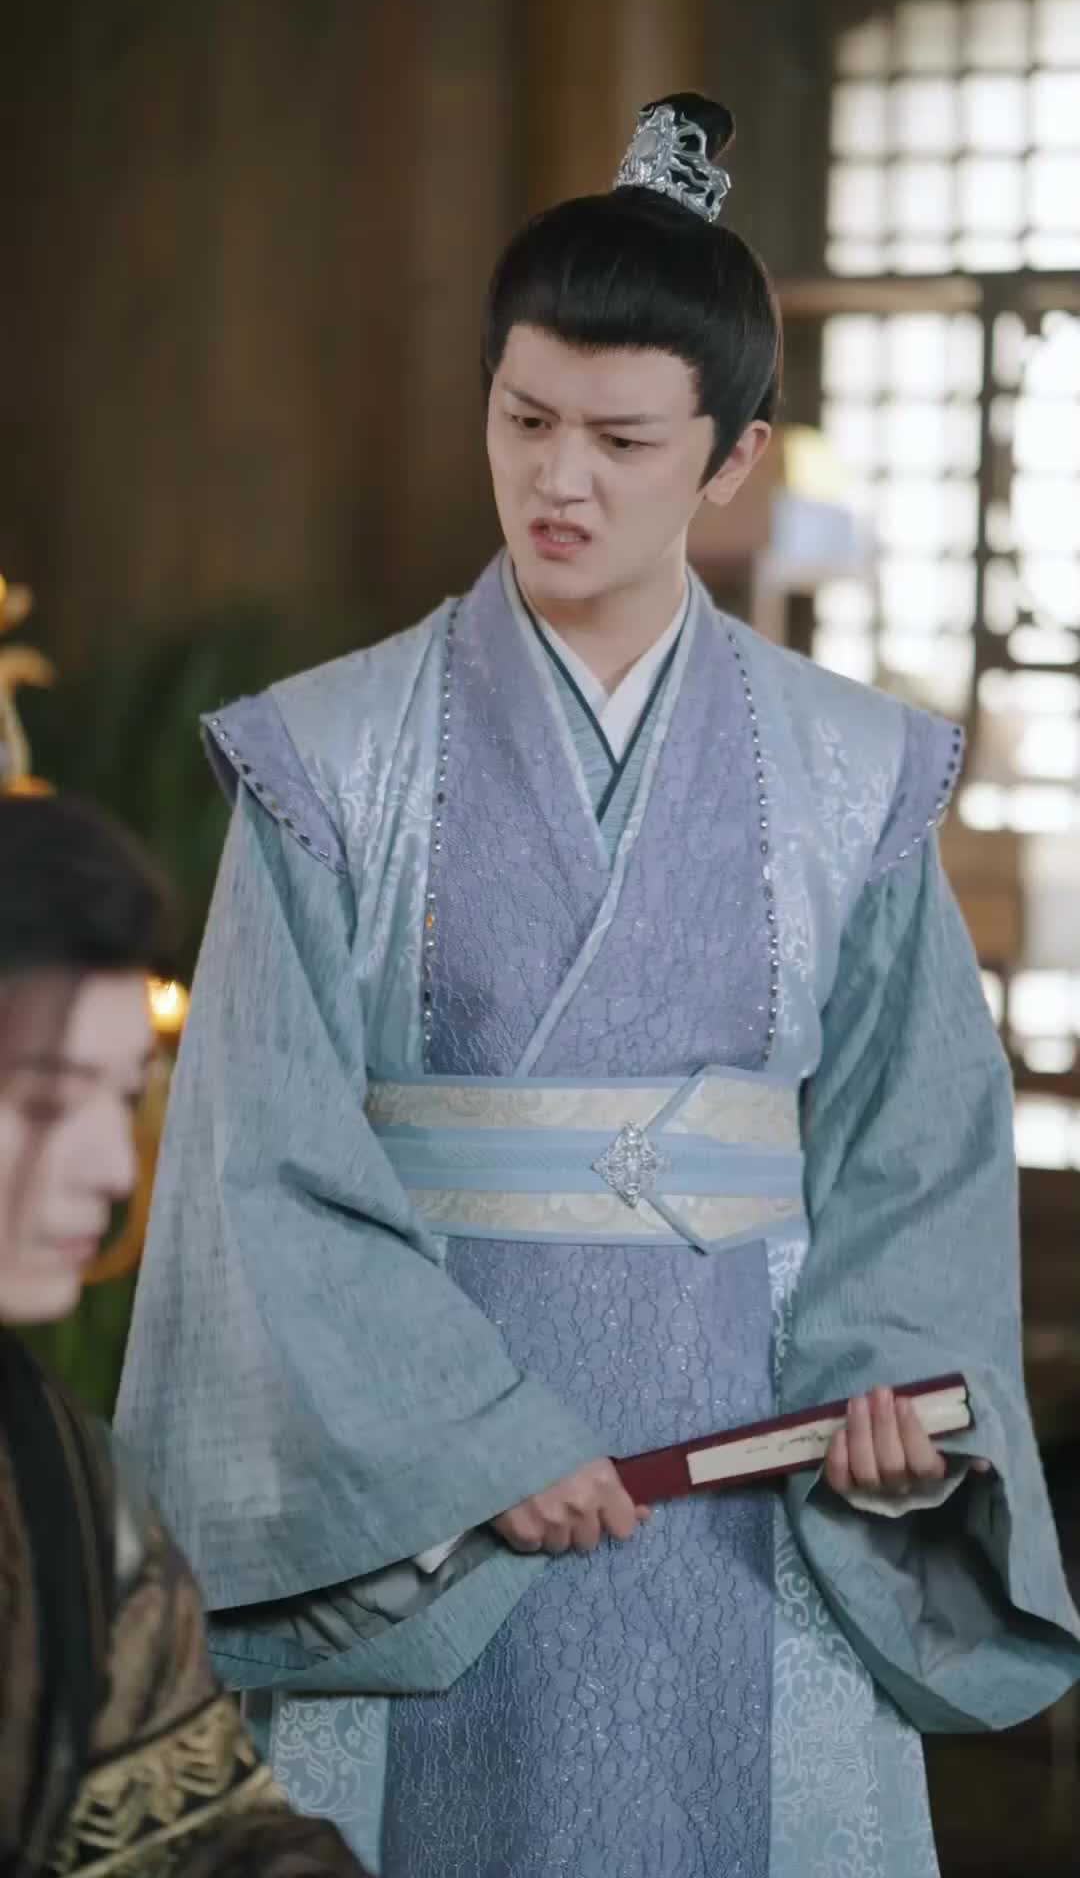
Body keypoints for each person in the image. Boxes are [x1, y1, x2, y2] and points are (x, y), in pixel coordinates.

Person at [116, 94, 1080, 1878]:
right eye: (526, 418)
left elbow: (916, 1150)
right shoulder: (328, 758)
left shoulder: (856, 772)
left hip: (754, 1471)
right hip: (424, 1502)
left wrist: (894, 1399)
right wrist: (470, 1440)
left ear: (733, 460)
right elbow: (260, 1164)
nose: (560, 479)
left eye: (623, 439)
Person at [0, 793, 371, 1877]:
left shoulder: (59, 1478)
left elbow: (196, 1835)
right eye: (47, 1104)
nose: (116, 1168)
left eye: (123, 1098)